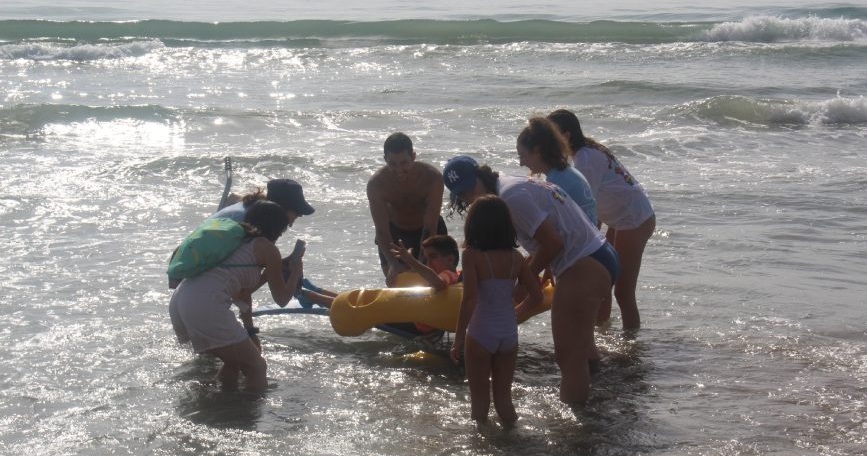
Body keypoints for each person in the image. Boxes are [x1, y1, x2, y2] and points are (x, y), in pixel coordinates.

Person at [443, 155, 619, 405]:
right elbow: (549, 237)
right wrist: (536, 266)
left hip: (583, 264)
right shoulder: (511, 184)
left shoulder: (510, 197)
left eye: (471, 189)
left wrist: (521, 283)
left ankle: (576, 424)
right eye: (462, 195)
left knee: (568, 357)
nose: (470, 198)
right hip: (597, 254)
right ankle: (600, 402)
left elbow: (553, 243)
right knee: (583, 347)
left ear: (481, 176)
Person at [169, 200, 305, 392]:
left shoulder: (235, 240)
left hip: (182, 299)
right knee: (257, 367)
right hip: (204, 304)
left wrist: (271, 271)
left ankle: (218, 401)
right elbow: (282, 299)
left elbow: (240, 289)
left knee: (234, 362)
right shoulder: (267, 249)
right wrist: (296, 271)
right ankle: (250, 410)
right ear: (276, 229)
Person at [547, 109, 655, 330]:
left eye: (552, 138)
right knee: (604, 282)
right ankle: (602, 332)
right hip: (622, 217)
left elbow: (588, 208)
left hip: (633, 219)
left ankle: (631, 343)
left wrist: (584, 246)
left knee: (623, 292)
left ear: (566, 136)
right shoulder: (584, 152)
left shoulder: (585, 159)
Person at [451, 195, 543, 425]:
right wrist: (515, 314)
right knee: (504, 400)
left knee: (479, 404)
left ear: (473, 225)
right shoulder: (516, 258)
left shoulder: (471, 255)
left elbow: (469, 299)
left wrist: (458, 339)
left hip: (481, 332)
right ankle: (514, 439)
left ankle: (482, 442)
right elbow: (537, 297)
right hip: (508, 333)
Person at [367, 132, 447, 286]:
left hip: (428, 231)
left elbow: (430, 227)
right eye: (392, 164)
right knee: (398, 283)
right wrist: (393, 263)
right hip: (394, 235)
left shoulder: (432, 178)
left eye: (404, 163)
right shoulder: (376, 184)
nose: (399, 170)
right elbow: (382, 230)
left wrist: (421, 263)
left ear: (413, 157)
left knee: (435, 283)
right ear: (385, 160)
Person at [516, 116, 597, 226]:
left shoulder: (557, 182)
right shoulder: (566, 172)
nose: (521, 163)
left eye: (522, 156)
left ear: (537, 151)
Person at [389, 234, 461, 333]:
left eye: (433, 257)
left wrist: (411, 261)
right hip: (429, 323)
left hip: (420, 327)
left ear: (450, 259)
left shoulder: (448, 274)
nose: (428, 263)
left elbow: (439, 284)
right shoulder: (458, 275)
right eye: (427, 259)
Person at [210, 178, 315, 222]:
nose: (299, 216)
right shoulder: (252, 222)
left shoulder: (249, 206)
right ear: (281, 209)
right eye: (297, 213)